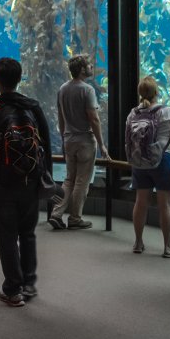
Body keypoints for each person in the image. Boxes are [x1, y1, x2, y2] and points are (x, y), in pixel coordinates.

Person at [0, 57, 53, 307]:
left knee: (6, 235)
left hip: (2, 182)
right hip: (30, 180)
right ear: (19, 79)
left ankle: (12, 289)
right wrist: (42, 175)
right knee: (27, 233)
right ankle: (28, 283)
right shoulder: (33, 107)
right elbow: (46, 144)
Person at [48, 55, 110, 230]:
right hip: (85, 141)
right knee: (82, 180)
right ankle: (75, 218)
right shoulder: (87, 90)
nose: (92, 67)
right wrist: (102, 144)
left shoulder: (63, 89)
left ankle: (56, 213)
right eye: (89, 65)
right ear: (82, 70)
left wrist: (63, 138)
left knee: (69, 179)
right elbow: (94, 119)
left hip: (69, 139)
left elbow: (60, 118)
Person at [129, 76, 170, 257]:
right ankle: (168, 247)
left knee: (140, 202)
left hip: (140, 162)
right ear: (157, 92)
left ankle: (138, 243)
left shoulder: (133, 113)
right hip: (164, 160)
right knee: (166, 206)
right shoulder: (168, 111)